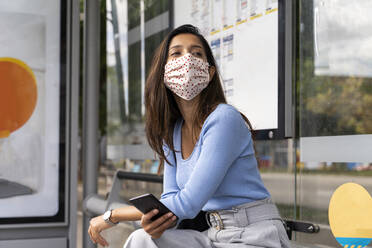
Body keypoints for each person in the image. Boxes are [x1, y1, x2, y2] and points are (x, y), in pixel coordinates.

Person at [88, 24, 291, 248]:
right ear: (164, 71)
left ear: (210, 71)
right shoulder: (172, 133)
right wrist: (157, 222)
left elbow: (188, 203)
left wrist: (112, 215)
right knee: (142, 239)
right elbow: (171, 200)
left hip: (254, 236)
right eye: (176, 53)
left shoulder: (224, 119)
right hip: (214, 235)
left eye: (196, 54)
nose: (187, 60)